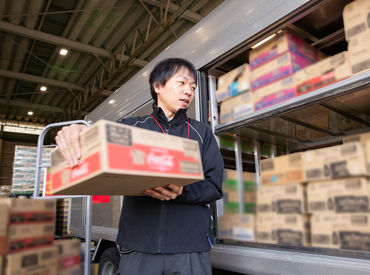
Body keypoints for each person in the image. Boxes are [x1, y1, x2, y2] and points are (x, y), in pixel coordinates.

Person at [55, 58, 224, 275]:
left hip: (189, 248)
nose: (189, 91)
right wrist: (79, 129)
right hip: (138, 247)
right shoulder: (130, 127)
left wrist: (183, 191)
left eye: (192, 86)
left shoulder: (202, 133)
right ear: (158, 86)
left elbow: (214, 186)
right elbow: (98, 140)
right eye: (181, 83)